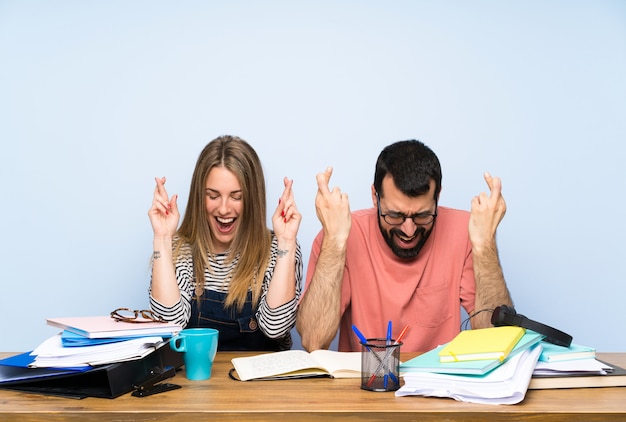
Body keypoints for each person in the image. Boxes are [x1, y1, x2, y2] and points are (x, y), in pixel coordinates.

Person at [296, 139, 512, 352]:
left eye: (422, 215)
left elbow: (494, 337)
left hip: (438, 384)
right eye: (394, 215)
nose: (409, 231)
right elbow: (314, 340)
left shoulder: (467, 231)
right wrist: (334, 242)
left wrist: (485, 245)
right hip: (366, 384)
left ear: (437, 197)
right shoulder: (341, 233)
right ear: (375, 197)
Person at [148, 135, 303, 351]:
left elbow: (275, 327)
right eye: (213, 195)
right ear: (199, 197)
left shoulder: (281, 250)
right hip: (196, 381)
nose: (223, 209)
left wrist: (286, 241)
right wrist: (162, 239)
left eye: (236, 197)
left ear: (253, 199)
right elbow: (167, 326)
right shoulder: (177, 250)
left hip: (262, 383)